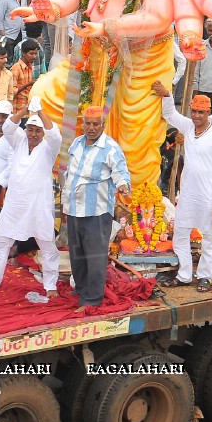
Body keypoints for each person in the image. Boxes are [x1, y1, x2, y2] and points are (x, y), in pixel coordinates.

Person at [0, 103, 62, 295]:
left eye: (37, 131)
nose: (33, 134)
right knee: (0, 243)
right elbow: (8, 126)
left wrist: (40, 111)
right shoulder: (18, 142)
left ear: (43, 133)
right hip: (15, 204)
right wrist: (25, 110)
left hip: (38, 206)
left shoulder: (49, 148)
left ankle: (50, 286)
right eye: (30, 130)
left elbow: (55, 134)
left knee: (47, 246)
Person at [153, 82, 212, 292]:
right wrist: (168, 94)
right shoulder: (188, 127)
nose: (196, 116)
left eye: (201, 112)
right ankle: (185, 274)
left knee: (209, 238)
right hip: (187, 194)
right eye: (194, 111)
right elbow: (169, 114)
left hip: (209, 197)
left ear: (209, 113)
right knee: (180, 234)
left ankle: (205, 275)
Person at [63, 105, 131, 311]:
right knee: (77, 253)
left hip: (97, 211)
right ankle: (81, 288)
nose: (91, 128)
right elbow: (69, 175)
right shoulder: (76, 143)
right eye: (88, 124)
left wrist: (122, 185)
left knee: (94, 256)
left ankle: (92, 298)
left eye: (95, 124)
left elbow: (121, 171)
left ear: (102, 125)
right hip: (74, 208)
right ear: (82, 124)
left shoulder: (110, 148)